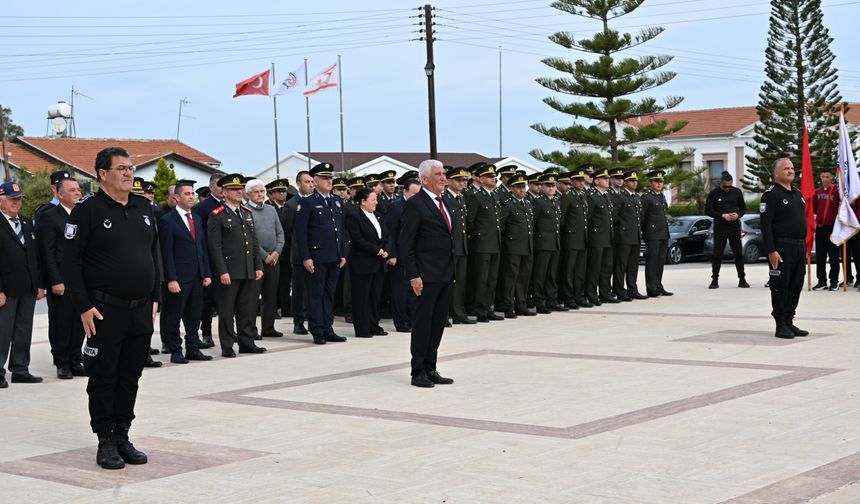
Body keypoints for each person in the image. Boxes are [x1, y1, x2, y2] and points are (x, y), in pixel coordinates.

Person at [62, 147, 160, 470]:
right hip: (104, 311)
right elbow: (70, 263)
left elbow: (153, 254)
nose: (129, 173)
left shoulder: (143, 207)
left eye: (130, 168)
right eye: (121, 168)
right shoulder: (86, 212)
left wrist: (155, 296)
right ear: (103, 174)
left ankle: (123, 434)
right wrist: (84, 307)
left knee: (131, 375)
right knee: (105, 376)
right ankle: (105, 439)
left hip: (140, 309)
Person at [400, 159, 455, 388]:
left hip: (445, 273)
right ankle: (418, 371)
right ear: (424, 179)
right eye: (438, 174)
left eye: (444, 173)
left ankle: (431, 366)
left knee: (438, 323)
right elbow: (406, 244)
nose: (444, 178)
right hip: (426, 275)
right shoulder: (416, 204)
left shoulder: (445, 201)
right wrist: (414, 275)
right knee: (423, 323)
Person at [207, 174, 266, 357]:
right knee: (226, 311)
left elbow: (254, 242)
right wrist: (222, 271)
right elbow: (214, 247)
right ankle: (227, 345)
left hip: (247, 268)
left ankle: (247, 342)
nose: (239, 191)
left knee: (247, 309)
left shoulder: (246, 213)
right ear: (224, 193)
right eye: (234, 189)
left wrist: (258, 265)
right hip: (229, 272)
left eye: (240, 188)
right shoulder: (217, 215)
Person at [36, 176, 86, 379]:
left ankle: (76, 359)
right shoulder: (50, 216)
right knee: (61, 323)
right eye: (72, 190)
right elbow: (47, 252)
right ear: (59, 194)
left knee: (80, 321)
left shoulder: (82, 215)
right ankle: (62, 362)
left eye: (78, 189)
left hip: (81, 280)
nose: (77, 193)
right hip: (61, 281)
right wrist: (55, 280)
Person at [158, 180, 213, 364]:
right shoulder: (167, 221)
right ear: (177, 197)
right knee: (174, 315)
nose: (192, 197)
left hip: (197, 276)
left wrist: (206, 273)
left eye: (193, 194)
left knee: (194, 315)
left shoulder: (196, 218)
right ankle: (175, 350)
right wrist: (171, 279)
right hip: (178, 278)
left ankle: (193, 348)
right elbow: (166, 253)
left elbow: (201, 248)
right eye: (187, 194)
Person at [294, 163, 348, 345]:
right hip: (316, 257)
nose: (329, 181)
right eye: (325, 178)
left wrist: (342, 253)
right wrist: (306, 257)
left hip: (334, 256)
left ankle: (328, 327)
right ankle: (317, 329)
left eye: (330, 178)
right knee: (316, 294)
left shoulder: (336, 201)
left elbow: (340, 229)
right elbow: (301, 234)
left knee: (329, 293)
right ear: (315, 182)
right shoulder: (307, 202)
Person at [0, 181, 45, 388]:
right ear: (1, 200)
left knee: (24, 330)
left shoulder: (27, 223)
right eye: (12, 199)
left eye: (18, 199)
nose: (16, 203)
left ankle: (20, 368)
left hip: (27, 286)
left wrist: (38, 284)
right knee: (3, 330)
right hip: (6, 289)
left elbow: (34, 257)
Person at [761, 158, 809, 339]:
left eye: (792, 168)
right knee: (780, 286)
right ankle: (780, 324)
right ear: (776, 173)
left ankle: (789, 321)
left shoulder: (797, 194)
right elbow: (765, 226)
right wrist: (771, 250)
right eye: (786, 168)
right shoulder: (771, 195)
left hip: (798, 247)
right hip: (781, 248)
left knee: (796, 285)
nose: (790, 171)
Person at [345, 187, 389, 338]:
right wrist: (377, 250)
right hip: (362, 262)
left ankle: (373, 325)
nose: (376, 202)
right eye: (373, 199)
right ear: (363, 201)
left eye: (376, 199)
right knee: (362, 297)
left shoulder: (377, 216)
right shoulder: (354, 216)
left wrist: (386, 249)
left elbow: (386, 235)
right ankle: (362, 328)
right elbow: (357, 239)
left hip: (378, 263)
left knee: (375, 297)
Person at [245, 179, 285, 338]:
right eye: (256, 192)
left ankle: (268, 327)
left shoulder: (271, 209)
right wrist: (264, 256)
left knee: (271, 295)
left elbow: (280, 233)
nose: (260, 195)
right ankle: (251, 330)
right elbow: (250, 238)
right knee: (253, 297)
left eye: (262, 191)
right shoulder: (245, 210)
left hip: (274, 258)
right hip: (256, 260)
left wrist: (277, 252)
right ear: (248, 194)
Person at [465, 163, 504, 322]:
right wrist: (478, 236)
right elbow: (470, 221)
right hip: (481, 243)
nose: (493, 178)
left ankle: (488, 307)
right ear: (480, 179)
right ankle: (478, 308)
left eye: (494, 176)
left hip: (495, 243)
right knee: (481, 278)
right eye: (489, 176)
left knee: (492, 279)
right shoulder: (475, 196)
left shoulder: (494, 195)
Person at [384, 175, 421, 332]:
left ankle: (412, 318)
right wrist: (391, 254)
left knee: (413, 289)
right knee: (400, 290)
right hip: (399, 254)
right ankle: (401, 321)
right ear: (405, 191)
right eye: (413, 193)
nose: (416, 196)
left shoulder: (418, 206)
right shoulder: (396, 206)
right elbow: (390, 232)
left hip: (414, 255)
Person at [193, 172, 225, 349]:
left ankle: (229, 331)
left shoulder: (229, 205)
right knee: (207, 301)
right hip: (210, 260)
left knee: (228, 300)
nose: (223, 189)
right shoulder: (204, 207)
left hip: (228, 260)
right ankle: (206, 333)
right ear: (212, 186)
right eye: (220, 185)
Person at [499, 173, 535, 318]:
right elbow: (501, 226)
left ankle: (521, 304)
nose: (522, 190)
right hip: (513, 247)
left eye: (523, 187)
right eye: (518, 188)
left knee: (524, 277)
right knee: (510, 277)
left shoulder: (527, 203)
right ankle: (508, 306)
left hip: (527, 246)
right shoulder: (508, 204)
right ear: (512, 189)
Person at [443, 167, 476, 324]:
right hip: (450, 247)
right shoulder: (445, 199)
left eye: (464, 180)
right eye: (459, 180)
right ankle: (444, 314)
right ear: (448, 181)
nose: (463, 183)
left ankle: (458, 312)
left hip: (461, 245)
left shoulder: (461, 198)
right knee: (448, 282)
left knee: (460, 282)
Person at [705, 171, 748, 289]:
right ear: (721, 183)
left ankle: (742, 279)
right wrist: (721, 215)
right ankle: (714, 280)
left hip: (734, 227)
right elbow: (708, 210)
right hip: (720, 227)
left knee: (738, 253)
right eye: (725, 186)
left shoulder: (737, 192)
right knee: (717, 254)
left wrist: (738, 215)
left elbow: (743, 209)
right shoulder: (713, 194)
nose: (728, 189)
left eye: (730, 186)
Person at [283, 171, 314, 335]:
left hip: (316, 253)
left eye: (311, 181)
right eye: (307, 182)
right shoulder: (292, 204)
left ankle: (313, 317)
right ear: (298, 184)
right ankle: (298, 321)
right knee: (300, 290)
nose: (311, 184)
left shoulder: (316, 202)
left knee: (313, 290)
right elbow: (287, 230)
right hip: (299, 255)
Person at [531, 173, 566, 313]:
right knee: (540, 274)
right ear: (542, 187)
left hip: (555, 242)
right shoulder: (538, 202)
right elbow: (533, 224)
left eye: (553, 185)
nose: (551, 188)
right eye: (548, 185)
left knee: (552, 274)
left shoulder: (556, 201)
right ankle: (539, 302)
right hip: (542, 243)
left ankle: (552, 300)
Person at [586, 168, 618, 305]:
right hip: (596, 238)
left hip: (608, 238)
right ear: (596, 181)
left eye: (607, 178)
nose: (607, 180)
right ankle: (592, 294)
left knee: (606, 268)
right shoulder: (592, 196)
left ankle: (605, 293)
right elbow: (588, 218)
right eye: (604, 178)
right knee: (595, 268)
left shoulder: (606, 196)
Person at [559, 169, 591, 308]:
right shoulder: (567, 197)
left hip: (582, 239)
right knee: (569, 271)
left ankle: (579, 296)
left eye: (582, 180)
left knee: (580, 271)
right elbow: (562, 219)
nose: (581, 183)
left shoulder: (583, 196)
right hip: (571, 239)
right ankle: (568, 297)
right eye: (578, 180)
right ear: (572, 182)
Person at [613, 170, 645, 301]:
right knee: (621, 265)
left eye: (636, 180)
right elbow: (614, 214)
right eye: (632, 181)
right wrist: (623, 225)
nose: (635, 183)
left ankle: (632, 289)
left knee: (633, 265)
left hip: (635, 235)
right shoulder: (620, 197)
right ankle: (619, 290)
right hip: (624, 236)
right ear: (625, 183)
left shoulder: (636, 197)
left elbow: (639, 216)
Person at [641, 170, 673, 297]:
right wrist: (646, 231)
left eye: (661, 181)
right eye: (656, 181)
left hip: (663, 233)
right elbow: (641, 216)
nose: (659, 184)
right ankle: (651, 288)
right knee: (652, 261)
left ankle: (659, 285)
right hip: (652, 234)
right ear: (650, 183)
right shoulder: (646, 197)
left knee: (660, 262)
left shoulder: (662, 196)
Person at [265, 179, 293, 318]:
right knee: (273, 283)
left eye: (284, 191)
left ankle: (286, 307)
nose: (283, 194)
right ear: (273, 194)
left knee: (285, 282)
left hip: (286, 251)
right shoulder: (268, 208)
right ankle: (274, 308)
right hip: (273, 252)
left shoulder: (288, 207)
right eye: (279, 192)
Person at [812, 167, 841, 290]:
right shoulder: (816, 192)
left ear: (832, 177)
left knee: (834, 256)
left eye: (827, 176)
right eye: (823, 177)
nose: (825, 179)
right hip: (820, 228)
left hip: (833, 228)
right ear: (820, 177)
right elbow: (812, 210)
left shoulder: (837, 191)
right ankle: (822, 281)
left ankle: (834, 281)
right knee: (820, 256)